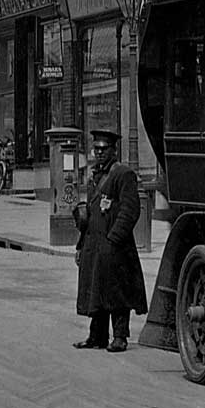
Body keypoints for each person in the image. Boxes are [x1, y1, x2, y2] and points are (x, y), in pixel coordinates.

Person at [72, 127, 148, 352]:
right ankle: (97, 336)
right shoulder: (95, 175)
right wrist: (81, 244)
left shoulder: (122, 174)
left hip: (115, 245)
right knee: (96, 289)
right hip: (94, 243)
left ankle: (120, 337)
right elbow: (91, 211)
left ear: (114, 150)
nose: (99, 153)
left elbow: (130, 210)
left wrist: (114, 238)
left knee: (117, 292)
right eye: (96, 149)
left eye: (104, 149)